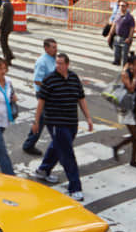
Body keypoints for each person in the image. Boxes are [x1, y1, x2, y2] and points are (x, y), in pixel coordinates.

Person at [32, 53, 94, 202]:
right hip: (55, 122)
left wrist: (88, 118)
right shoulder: (49, 80)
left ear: (67, 64)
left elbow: (81, 98)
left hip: (72, 121)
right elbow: (41, 102)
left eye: (61, 63)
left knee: (57, 146)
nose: (58, 66)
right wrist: (36, 121)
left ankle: (44, 169)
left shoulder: (73, 78)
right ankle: (75, 187)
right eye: (57, 63)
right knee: (67, 154)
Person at [110, 52, 136, 169]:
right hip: (127, 108)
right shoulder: (125, 74)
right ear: (130, 65)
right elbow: (130, 88)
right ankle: (117, 147)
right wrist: (135, 76)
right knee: (135, 136)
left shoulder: (135, 71)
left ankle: (133, 160)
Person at [22, 38, 57, 156]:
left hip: (51, 94)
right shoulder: (42, 62)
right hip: (44, 94)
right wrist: (50, 88)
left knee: (43, 120)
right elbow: (37, 81)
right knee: (46, 119)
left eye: (56, 47)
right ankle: (29, 144)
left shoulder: (54, 59)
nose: (55, 49)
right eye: (53, 47)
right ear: (46, 48)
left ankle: (29, 144)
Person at [113, 2, 135, 66]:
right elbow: (114, 25)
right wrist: (110, 35)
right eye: (120, 5)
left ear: (127, 7)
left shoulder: (130, 17)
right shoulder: (118, 15)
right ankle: (118, 63)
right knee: (117, 54)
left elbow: (132, 28)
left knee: (124, 55)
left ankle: (125, 69)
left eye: (123, 6)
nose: (121, 7)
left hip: (125, 38)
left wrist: (129, 38)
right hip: (117, 37)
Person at [0, 0, 15, 66]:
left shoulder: (6, 5)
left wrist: (0, 27)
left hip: (6, 27)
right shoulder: (7, 4)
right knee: (4, 41)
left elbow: (4, 18)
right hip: (8, 26)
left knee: (3, 42)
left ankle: (8, 57)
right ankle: (9, 56)